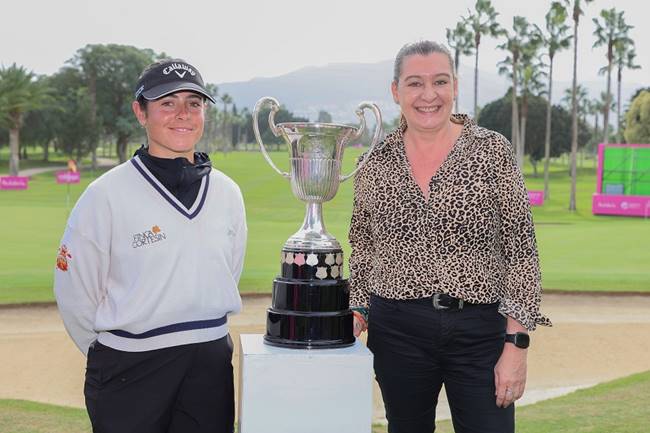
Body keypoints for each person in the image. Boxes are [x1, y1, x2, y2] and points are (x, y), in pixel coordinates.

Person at [348, 41, 551, 433]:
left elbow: (521, 252)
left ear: (454, 85)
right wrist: (358, 312)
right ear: (396, 91)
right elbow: (364, 248)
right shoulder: (373, 162)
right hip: (397, 331)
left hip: (479, 331)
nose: (429, 95)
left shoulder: (492, 151)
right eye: (414, 84)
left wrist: (517, 346)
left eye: (439, 82)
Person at [54, 58, 247, 433]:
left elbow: (227, 270)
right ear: (140, 112)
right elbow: (75, 292)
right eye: (167, 103)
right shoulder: (105, 194)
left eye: (194, 103)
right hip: (129, 368)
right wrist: (111, 353)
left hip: (209, 364)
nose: (183, 114)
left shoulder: (227, 192)